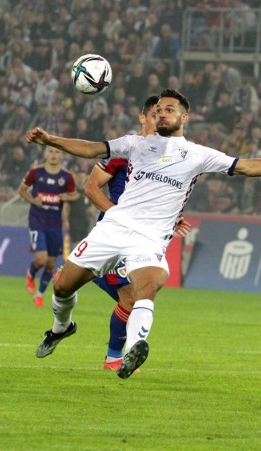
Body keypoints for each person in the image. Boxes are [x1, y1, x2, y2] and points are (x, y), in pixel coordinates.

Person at [25, 88, 261, 379]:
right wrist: (51, 140)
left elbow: (247, 166)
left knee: (148, 285)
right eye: (158, 110)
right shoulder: (136, 144)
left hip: (150, 238)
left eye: (169, 109)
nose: (162, 114)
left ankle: (132, 349)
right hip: (113, 227)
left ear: (184, 118)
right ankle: (62, 327)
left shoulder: (198, 155)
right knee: (62, 287)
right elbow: (91, 148)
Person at [84, 95, 191, 371]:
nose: (161, 120)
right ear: (144, 118)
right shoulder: (125, 151)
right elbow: (91, 187)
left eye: (165, 114)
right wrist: (118, 215)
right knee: (131, 297)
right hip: (116, 234)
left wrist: (173, 218)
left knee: (134, 297)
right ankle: (113, 357)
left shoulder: (165, 156)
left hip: (143, 238)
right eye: (155, 115)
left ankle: (86, 275)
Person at [18, 146, 79, 307]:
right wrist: (33, 200)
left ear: (62, 155)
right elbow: (22, 190)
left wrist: (68, 197)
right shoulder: (35, 172)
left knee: (51, 263)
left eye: (57, 152)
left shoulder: (67, 177)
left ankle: (39, 295)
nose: (54, 155)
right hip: (37, 220)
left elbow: (75, 194)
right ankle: (30, 273)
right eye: (51, 151)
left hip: (55, 224)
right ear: (45, 154)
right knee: (41, 258)